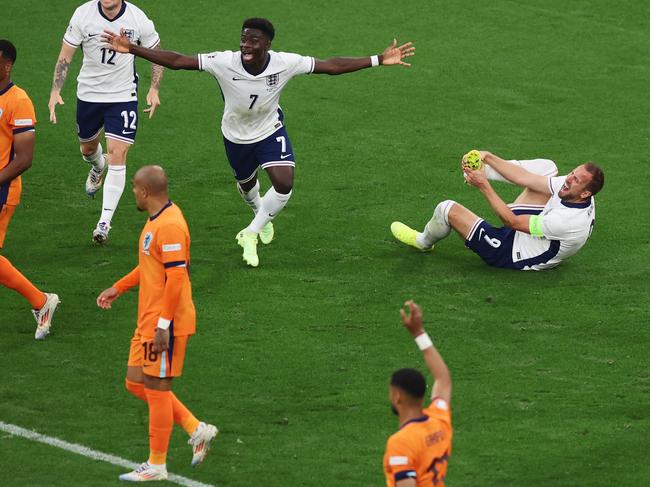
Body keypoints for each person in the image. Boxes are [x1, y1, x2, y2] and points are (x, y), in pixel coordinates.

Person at [102, 18, 415, 266]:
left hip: (269, 131)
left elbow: (331, 66)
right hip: (235, 136)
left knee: (284, 181)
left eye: (253, 39)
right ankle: (259, 217)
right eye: (243, 38)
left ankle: (250, 233)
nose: (245, 44)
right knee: (248, 187)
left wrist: (377, 59)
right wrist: (133, 49)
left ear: (267, 44)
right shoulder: (224, 61)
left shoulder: (285, 62)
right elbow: (178, 60)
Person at [96, 165, 217, 481]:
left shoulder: (171, 226)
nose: (133, 192)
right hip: (148, 320)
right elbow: (150, 265)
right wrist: (118, 287)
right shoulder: (156, 222)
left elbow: (177, 277)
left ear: (145, 191)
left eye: (135, 188)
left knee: (158, 389)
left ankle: (157, 465)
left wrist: (164, 325)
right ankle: (196, 428)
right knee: (136, 382)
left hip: (167, 322)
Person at [48, 0, 164, 244]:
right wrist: (55, 90)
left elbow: (157, 53)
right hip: (89, 94)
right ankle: (99, 166)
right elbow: (65, 56)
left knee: (118, 152)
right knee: (88, 148)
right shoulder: (83, 14)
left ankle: (104, 223)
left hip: (122, 96)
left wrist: (154, 89)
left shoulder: (137, 18)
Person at [391, 151, 605, 270]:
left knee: (446, 209)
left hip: (513, 253)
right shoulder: (573, 191)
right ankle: (481, 172)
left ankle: (422, 242)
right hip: (539, 228)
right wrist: (488, 158)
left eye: (576, 179)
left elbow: (510, 222)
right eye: (572, 173)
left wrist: (483, 185)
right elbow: (526, 178)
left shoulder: (566, 221)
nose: (569, 179)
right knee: (547, 167)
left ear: (586, 193)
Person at [0, 40, 60, 340]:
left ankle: (42, 301)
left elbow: (24, 159)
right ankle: (41, 301)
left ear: (7, 65)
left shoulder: (18, 100)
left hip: (2, 189)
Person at [384, 300, 453, 487]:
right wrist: (418, 333)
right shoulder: (439, 420)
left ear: (398, 396)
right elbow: (443, 379)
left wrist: (418, 333)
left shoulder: (401, 442)